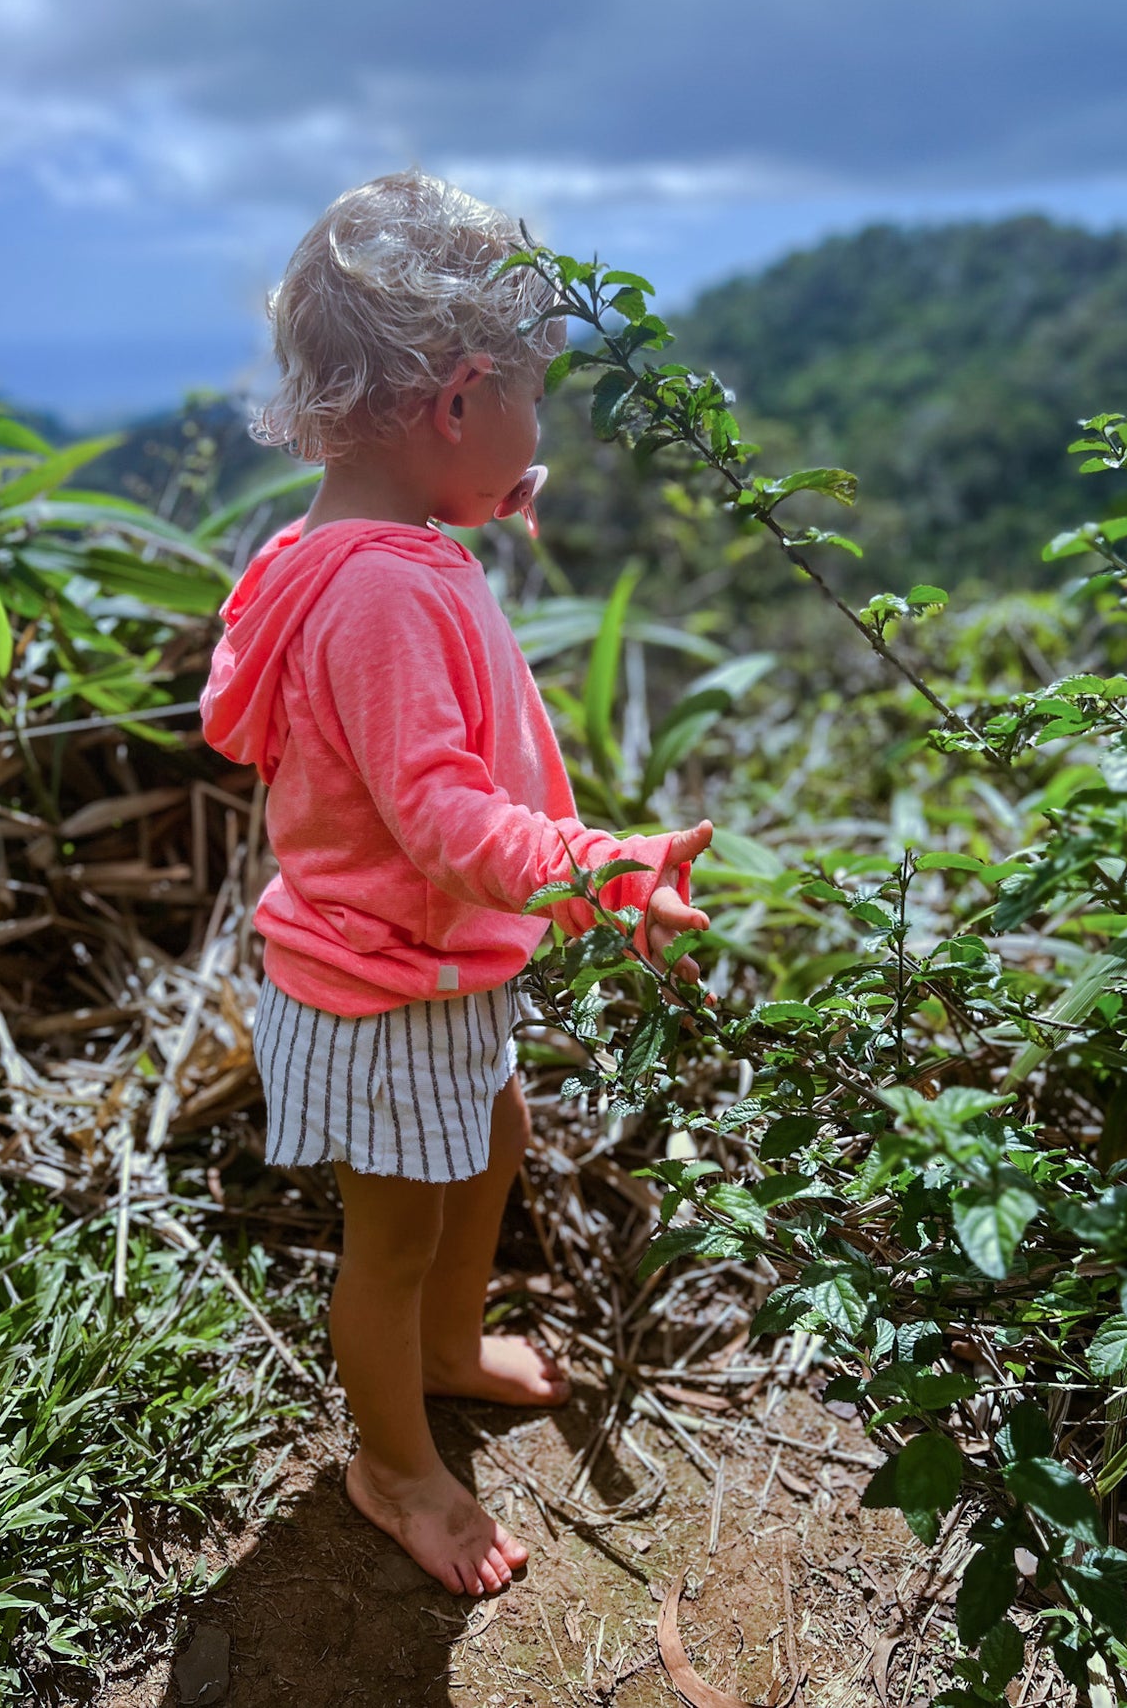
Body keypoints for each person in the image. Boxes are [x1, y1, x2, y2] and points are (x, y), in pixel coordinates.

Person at [199, 169, 713, 1600]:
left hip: (398, 961)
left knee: (489, 1132)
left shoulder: (337, 548)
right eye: (531, 400)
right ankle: (392, 1461)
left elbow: (393, 693)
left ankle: (440, 1350)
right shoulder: (384, 592)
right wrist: (598, 869)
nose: (536, 431)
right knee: (394, 1230)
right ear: (456, 398)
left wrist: (481, 504)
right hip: (383, 980)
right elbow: (437, 816)